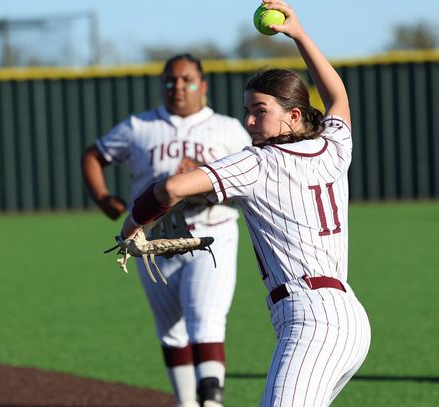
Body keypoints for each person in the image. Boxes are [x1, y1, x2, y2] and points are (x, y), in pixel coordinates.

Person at [119, 1, 371, 405]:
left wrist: (131, 225)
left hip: (311, 318)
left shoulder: (256, 162)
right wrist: (300, 34)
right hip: (349, 319)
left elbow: (169, 189)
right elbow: (337, 95)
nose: (250, 121)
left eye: (260, 111)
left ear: (293, 115)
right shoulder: (332, 146)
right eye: (247, 112)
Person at [81, 53, 251, 407]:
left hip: (210, 236)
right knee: (172, 332)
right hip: (151, 243)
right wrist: (103, 199)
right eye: (170, 80)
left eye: (187, 80)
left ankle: (212, 401)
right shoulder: (140, 126)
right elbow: (93, 155)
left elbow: (251, 185)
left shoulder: (228, 129)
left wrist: (204, 180)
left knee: (206, 321)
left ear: (202, 85)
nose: (178, 87)